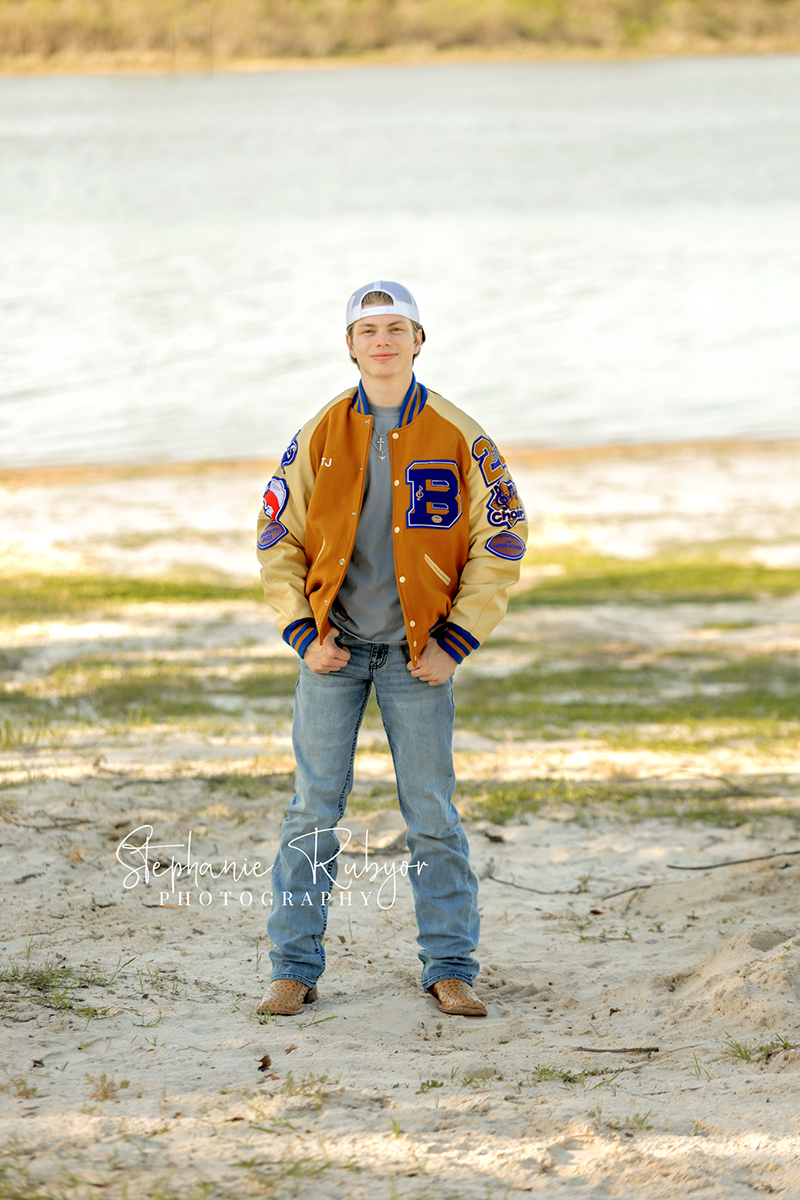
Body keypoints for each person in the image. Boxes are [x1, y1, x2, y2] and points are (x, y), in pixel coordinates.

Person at [256, 281, 527, 1017]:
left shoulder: (458, 432)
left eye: (397, 328)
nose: (383, 340)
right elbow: (276, 534)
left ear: (418, 340)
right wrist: (301, 633)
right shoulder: (319, 433)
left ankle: (449, 967)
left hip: (420, 658)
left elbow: (501, 537)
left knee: (433, 815)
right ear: (348, 344)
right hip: (332, 655)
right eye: (368, 329)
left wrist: (458, 640)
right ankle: (293, 967)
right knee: (311, 813)